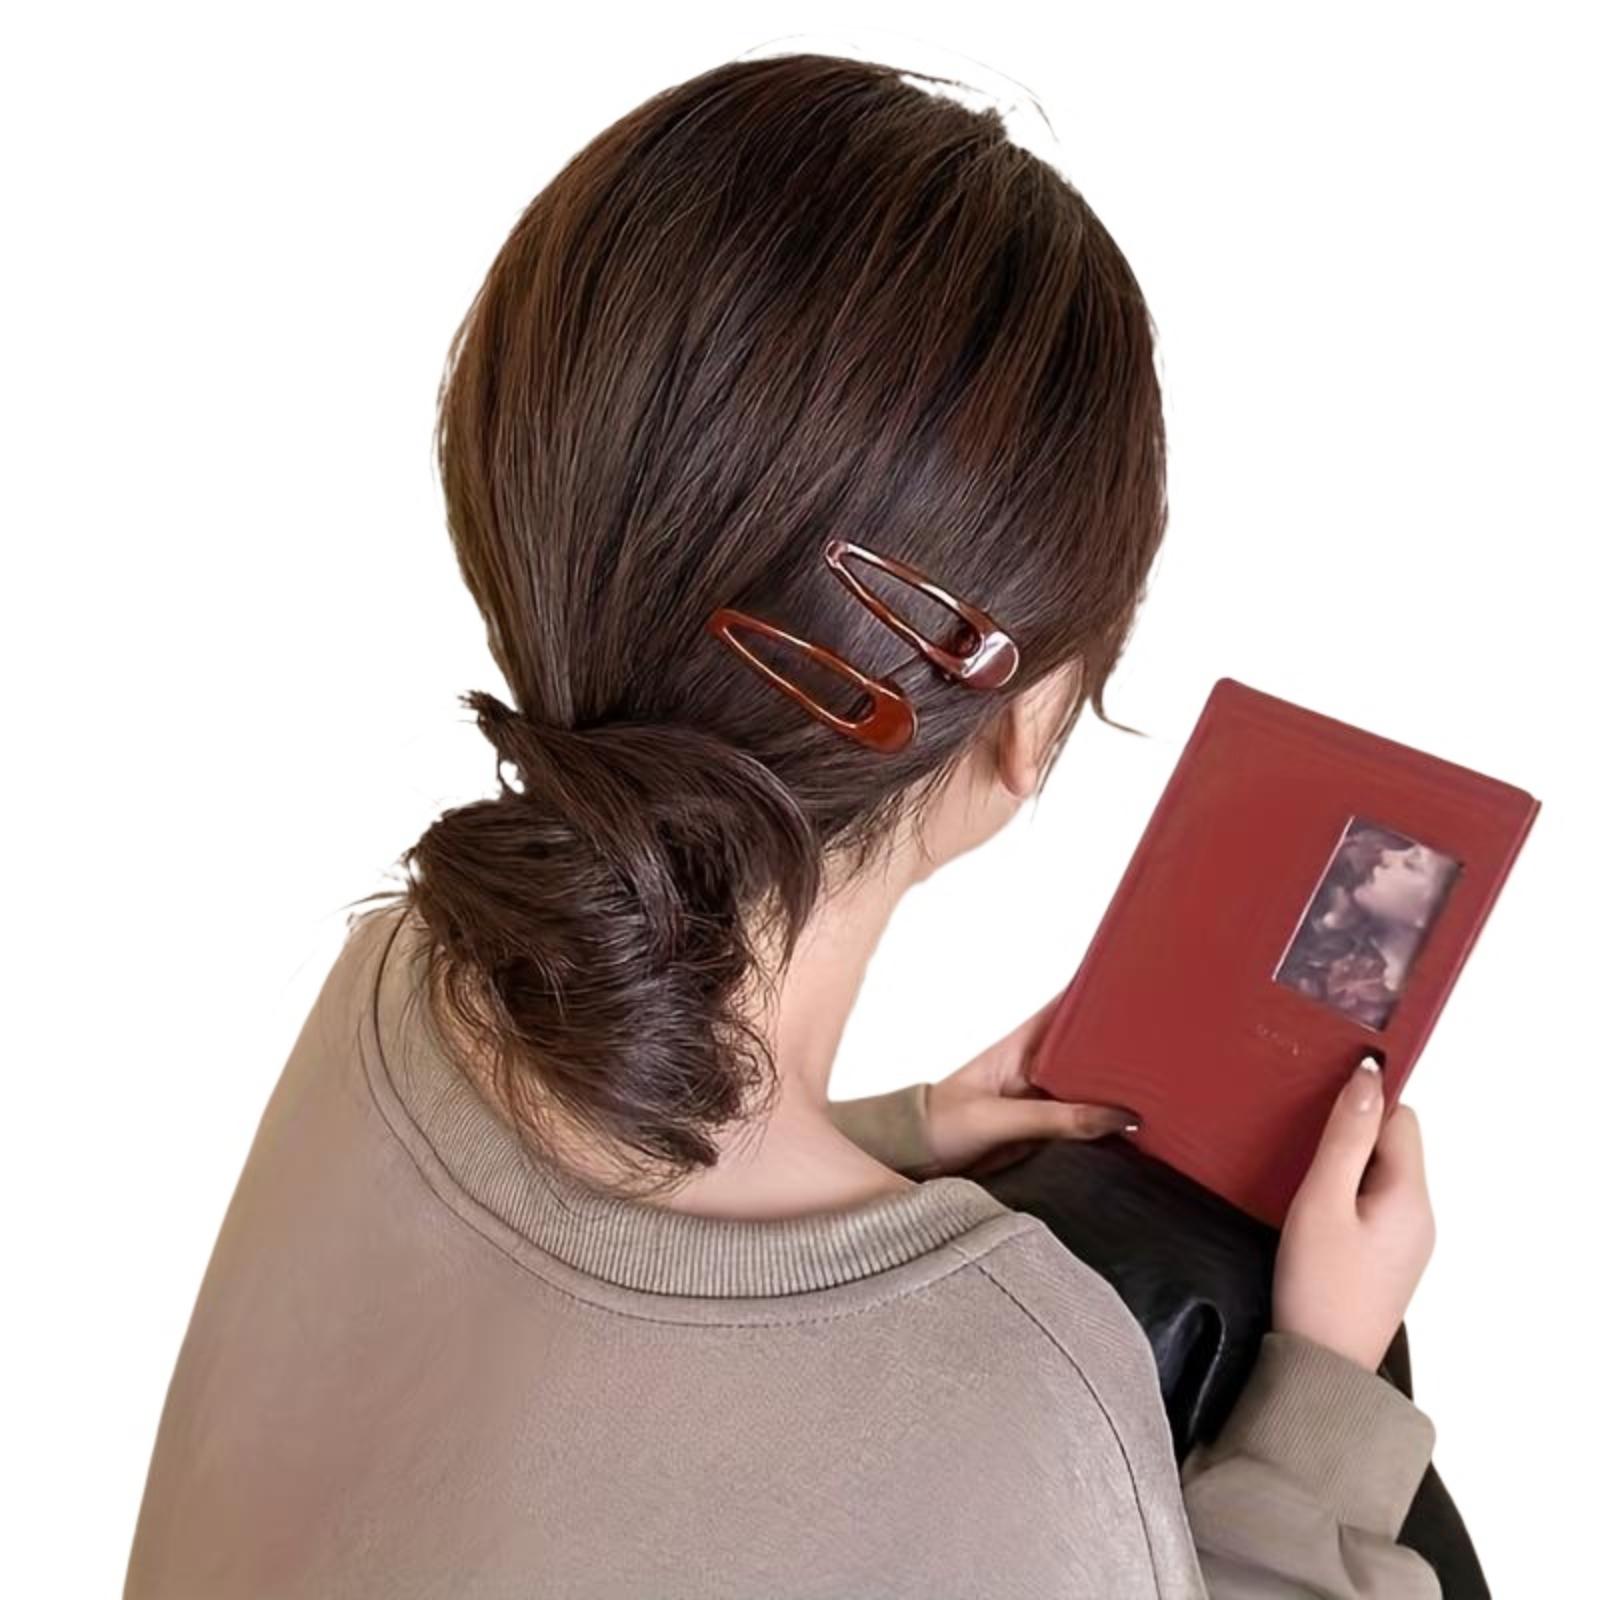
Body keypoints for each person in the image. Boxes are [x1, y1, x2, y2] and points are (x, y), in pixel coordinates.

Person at [122, 48, 1442, 1599]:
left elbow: (566, 1393)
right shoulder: (1018, 1394)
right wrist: (1329, 1406)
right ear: (1023, 726)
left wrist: (896, 1142)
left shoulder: (398, 984)